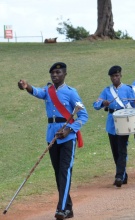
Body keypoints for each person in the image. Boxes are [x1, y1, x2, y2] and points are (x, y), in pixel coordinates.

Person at [17, 62, 88, 220]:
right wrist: (26, 86)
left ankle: (61, 209)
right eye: (52, 74)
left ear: (65, 74)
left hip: (68, 137)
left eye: (58, 73)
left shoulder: (71, 93)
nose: (55, 75)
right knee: (58, 173)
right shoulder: (47, 91)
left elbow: (84, 115)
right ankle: (68, 208)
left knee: (65, 171)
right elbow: (36, 92)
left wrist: (69, 129)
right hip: (52, 136)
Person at [93, 65, 135, 187]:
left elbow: (134, 107)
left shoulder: (128, 89)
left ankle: (119, 176)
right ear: (110, 77)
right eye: (113, 76)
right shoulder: (107, 91)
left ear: (120, 76)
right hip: (112, 122)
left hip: (124, 121)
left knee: (122, 149)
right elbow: (96, 105)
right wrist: (103, 102)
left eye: (117, 75)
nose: (115, 78)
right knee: (115, 151)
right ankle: (123, 175)